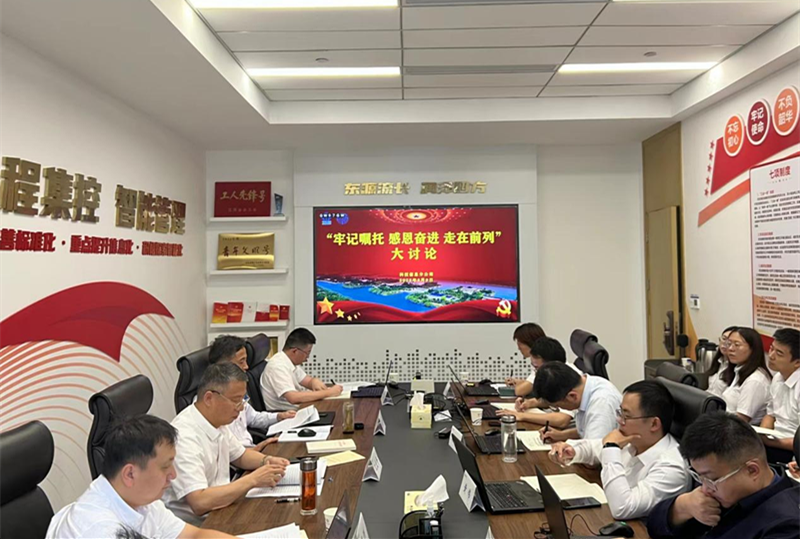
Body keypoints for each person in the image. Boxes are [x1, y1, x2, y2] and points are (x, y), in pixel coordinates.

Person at [46, 415, 236, 538]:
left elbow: (194, 536)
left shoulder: (140, 499)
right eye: (165, 467)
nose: (173, 474)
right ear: (130, 474)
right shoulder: (98, 530)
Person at [164, 363, 289, 525]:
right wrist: (253, 480)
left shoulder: (217, 421)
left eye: (243, 400)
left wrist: (266, 460)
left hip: (223, 508)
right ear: (209, 398)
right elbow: (199, 502)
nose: (241, 408)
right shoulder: (184, 437)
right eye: (236, 400)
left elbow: (240, 456)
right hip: (197, 525)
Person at [548, 381, 690, 519]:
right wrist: (571, 450)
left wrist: (611, 448)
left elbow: (622, 507)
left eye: (626, 416)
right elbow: (593, 448)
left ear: (654, 424)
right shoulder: (634, 441)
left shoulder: (671, 468)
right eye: (620, 412)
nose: (619, 420)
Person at [647, 412, 800, 539]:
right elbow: (654, 528)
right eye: (700, 478)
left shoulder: (787, 526)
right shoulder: (721, 488)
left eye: (712, 479)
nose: (705, 489)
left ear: (752, 470)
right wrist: (682, 506)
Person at [208, 335, 296, 450]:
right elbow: (225, 452)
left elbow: (253, 418)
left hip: (252, 451)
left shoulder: (237, 392)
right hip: (243, 457)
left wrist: (279, 416)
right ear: (224, 366)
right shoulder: (213, 403)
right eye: (241, 362)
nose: (246, 366)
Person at [496, 337, 577, 429]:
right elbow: (555, 402)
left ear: (551, 366)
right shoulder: (556, 375)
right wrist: (530, 403)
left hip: (567, 432)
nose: (536, 373)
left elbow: (562, 420)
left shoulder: (570, 378)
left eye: (537, 368)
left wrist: (522, 416)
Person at [532, 361, 622, 443]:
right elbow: (586, 429)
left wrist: (565, 447)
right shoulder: (587, 385)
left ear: (572, 396)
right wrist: (561, 435)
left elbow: (594, 449)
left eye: (557, 406)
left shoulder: (602, 404)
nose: (558, 408)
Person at [260, 327, 342, 410]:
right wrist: (329, 392)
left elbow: (308, 381)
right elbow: (293, 397)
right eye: (307, 353)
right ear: (295, 351)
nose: (307, 358)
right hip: (286, 414)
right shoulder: (277, 366)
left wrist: (314, 381)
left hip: (299, 409)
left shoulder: (289, 362)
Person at [760, 328, 800, 463]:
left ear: (797, 362)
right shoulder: (778, 377)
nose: (771, 356)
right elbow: (770, 414)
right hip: (775, 441)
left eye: (779, 353)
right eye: (772, 349)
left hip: (793, 449)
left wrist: (770, 442)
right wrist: (762, 435)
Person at [719, 327, 771, 425]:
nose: (730, 349)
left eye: (737, 345)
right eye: (729, 344)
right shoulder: (738, 370)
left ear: (753, 349)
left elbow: (741, 420)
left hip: (737, 429)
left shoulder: (755, 380)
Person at [504, 322, 546, 396]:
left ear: (529, 342)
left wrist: (520, 386)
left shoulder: (543, 363)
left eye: (519, 343)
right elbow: (534, 383)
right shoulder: (542, 357)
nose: (518, 348)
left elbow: (520, 391)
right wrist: (517, 382)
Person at [707, 326, 737, 397]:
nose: (725, 343)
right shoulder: (719, 361)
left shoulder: (736, 369)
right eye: (724, 339)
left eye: (729, 341)